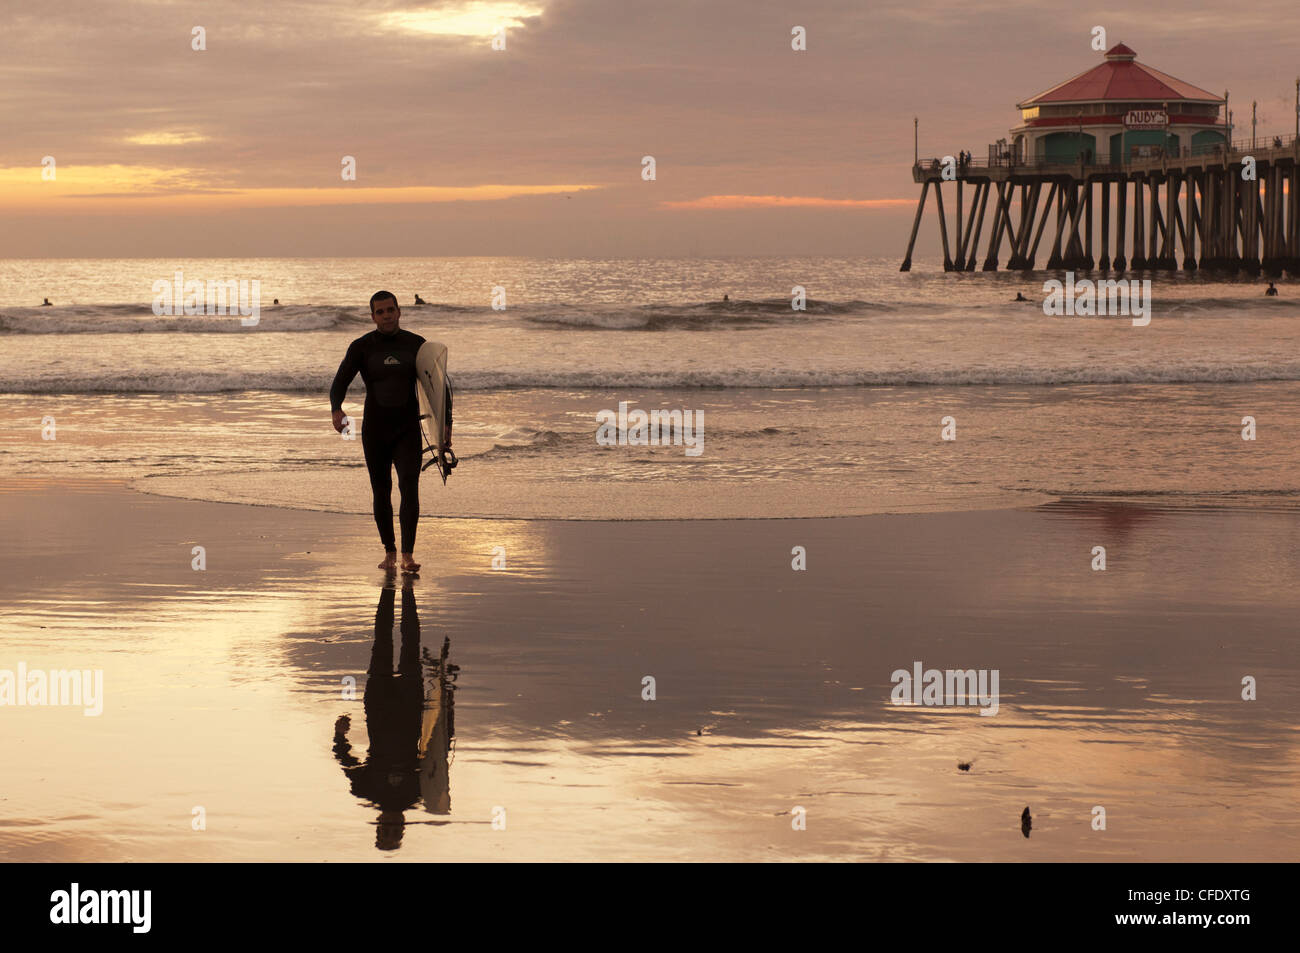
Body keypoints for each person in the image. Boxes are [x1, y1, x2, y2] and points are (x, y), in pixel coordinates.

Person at [330, 290, 451, 574]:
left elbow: (440, 388)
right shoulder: (361, 347)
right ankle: (390, 552)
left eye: (390, 310)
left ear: (399, 311)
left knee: (409, 487)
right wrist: (337, 409)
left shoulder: (417, 345)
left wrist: (445, 425)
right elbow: (339, 381)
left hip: (408, 430)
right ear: (373, 316)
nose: (386, 315)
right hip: (375, 430)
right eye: (380, 312)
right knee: (381, 491)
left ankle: (408, 555)